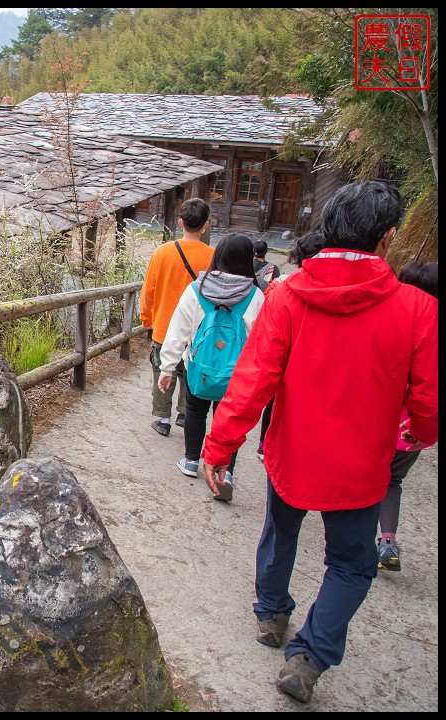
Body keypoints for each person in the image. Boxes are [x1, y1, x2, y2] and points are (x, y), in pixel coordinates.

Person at [200, 180, 438, 704]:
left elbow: (254, 379)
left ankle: (271, 614)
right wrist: (420, 433)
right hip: (362, 467)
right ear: (388, 237)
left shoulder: (287, 297)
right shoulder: (418, 310)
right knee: (352, 564)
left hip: (293, 454)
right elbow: (428, 400)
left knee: (280, 531)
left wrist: (219, 445)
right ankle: (311, 654)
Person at [157, 233, 264, 501]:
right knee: (229, 419)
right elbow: (261, 339)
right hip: (237, 375)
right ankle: (225, 473)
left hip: (199, 369)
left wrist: (167, 367)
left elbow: (178, 331)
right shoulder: (255, 295)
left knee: (195, 410)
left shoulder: (196, 289)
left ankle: (191, 461)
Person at [377, 261, 438, 571]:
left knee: (366, 480)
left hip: (379, 421)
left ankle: (356, 541)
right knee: (392, 482)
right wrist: (425, 431)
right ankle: (387, 540)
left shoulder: (393, 321)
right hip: (412, 433)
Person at [139, 197, 215, 437]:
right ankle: (185, 412)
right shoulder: (213, 256)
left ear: (180, 222)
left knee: (163, 370)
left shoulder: (162, 252)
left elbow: (148, 288)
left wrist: (146, 318)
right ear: (206, 225)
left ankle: (163, 418)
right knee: (190, 371)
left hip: (164, 325)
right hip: (199, 329)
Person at [256, 232, 326, 461]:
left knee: (275, 401)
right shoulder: (334, 290)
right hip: (313, 358)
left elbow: (264, 315)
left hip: (282, 352)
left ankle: (264, 444)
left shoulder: (281, 284)